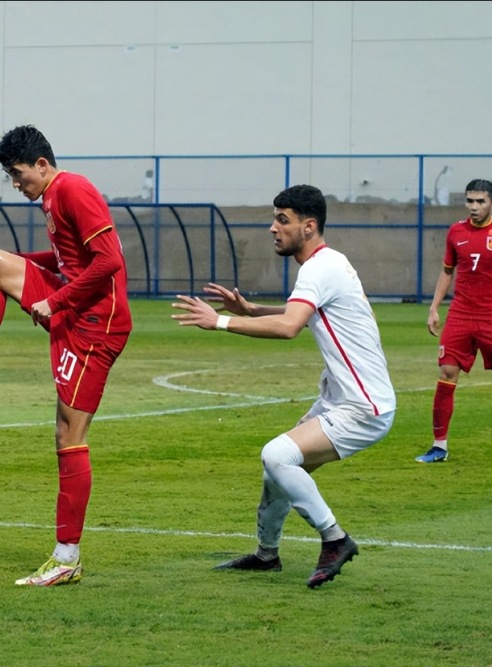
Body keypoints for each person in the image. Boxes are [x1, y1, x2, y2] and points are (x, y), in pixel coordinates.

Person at [171, 184, 396, 589]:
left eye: (282, 220)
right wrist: (251, 310)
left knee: (276, 456)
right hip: (343, 400)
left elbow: (291, 326)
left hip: (364, 408)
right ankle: (266, 555)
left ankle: (335, 539)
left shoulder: (317, 268)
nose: (273, 228)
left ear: (309, 227)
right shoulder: (332, 262)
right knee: (278, 471)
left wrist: (220, 321)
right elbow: (308, 312)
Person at [0, 125, 133, 586]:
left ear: (42, 164)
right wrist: (11, 256)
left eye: (18, 174)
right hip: (77, 309)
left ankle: (67, 558)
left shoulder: (73, 189)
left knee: (68, 433)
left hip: (97, 324)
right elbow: (68, 260)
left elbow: (109, 261)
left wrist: (54, 302)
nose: (16, 184)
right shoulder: (53, 198)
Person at [415, 178, 492, 465]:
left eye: (480, 201)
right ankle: (439, 447)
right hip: (459, 315)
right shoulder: (456, 231)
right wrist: (434, 308)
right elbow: (447, 272)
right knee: (446, 374)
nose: (474, 206)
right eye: (469, 200)